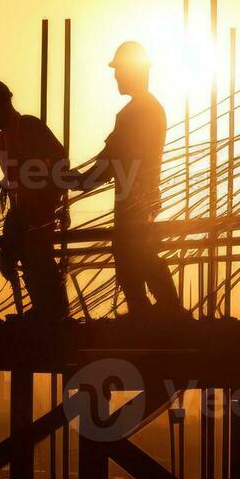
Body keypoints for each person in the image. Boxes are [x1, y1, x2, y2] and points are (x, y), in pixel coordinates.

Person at [69, 41, 186, 321]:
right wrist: (80, 180)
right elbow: (111, 159)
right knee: (135, 255)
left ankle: (161, 312)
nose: (115, 76)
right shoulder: (149, 109)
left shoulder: (136, 113)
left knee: (134, 254)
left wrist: (74, 180)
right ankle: (158, 312)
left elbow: (110, 161)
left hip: (134, 198)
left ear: (133, 72)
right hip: (141, 196)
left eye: (119, 70)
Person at [0, 79, 70, 321]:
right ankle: (44, 310)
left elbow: (60, 159)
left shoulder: (29, 126)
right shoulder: (1, 141)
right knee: (23, 261)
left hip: (41, 207)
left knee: (39, 258)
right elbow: (14, 180)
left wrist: (52, 196)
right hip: (22, 209)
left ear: (5, 103)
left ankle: (55, 313)